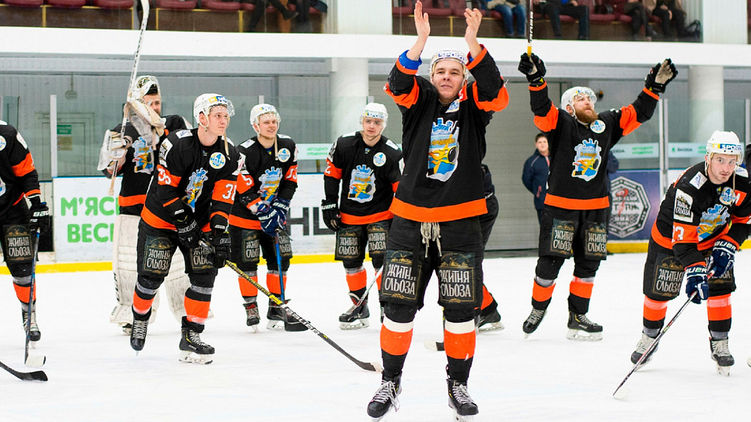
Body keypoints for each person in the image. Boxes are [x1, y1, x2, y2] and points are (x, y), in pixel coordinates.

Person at [366, 2, 509, 420]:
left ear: (464, 78)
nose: (447, 77)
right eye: (440, 71)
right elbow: (396, 82)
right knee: (397, 305)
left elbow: (496, 91)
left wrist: (472, 44)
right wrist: (421, 41)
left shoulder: (475, 106)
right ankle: (390, 381)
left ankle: (458, 385)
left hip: (461, 221)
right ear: (432, 77)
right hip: (410, 219)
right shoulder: (418, 102)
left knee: (462, 309)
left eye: (454, 72)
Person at [517, 51, 676, 341]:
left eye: (589, 98)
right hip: (561, 207)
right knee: (550, 263)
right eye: (580, 99)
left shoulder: (606, 123)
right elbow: (541, 108)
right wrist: (536, 80)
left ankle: (578, 315)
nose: (588, 101)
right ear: (569, 107)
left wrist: (653, 88)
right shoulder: (559, 123)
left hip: (596, 209)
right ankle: (538, 308)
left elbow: (638, 113)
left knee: (588, 264)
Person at [129, 93, 240, 364]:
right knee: (151, 277)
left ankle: (192, 336)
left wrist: (219, 232)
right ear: (202, 118)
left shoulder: (230, 153)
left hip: (199, 221)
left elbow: (223, 197)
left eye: (226, 116)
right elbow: (165, 189)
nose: (223, 120)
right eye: (217, 115)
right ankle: (140, 318)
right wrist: (183, 221)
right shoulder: (176, 144)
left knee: (205, 276)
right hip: (161, 219)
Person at [630, 131, 750, 376]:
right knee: (658, 293)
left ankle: (720, 342)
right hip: (669, 240)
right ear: (708, 158)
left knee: (720, 289)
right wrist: (695, 271)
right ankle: (649, 337)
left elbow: (744, 220)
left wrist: (728, 243)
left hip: (712, 239)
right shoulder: (689, 186)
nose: (726, 168)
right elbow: (683, 242)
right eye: (720, 160)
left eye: (731, 161)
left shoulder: (742, 182)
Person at [97, 75, 192, 335]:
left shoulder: (175, 123)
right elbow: (109, 171)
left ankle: (188, 312)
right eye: (149, 102)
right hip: (134, 208)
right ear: (137, 103)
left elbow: (193, 153)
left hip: (170, 207)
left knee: (179, 264)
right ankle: (133, 315)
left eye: (157, 102)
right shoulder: (122, 129)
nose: (155, 107)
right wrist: (116, 155)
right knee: (130, 265)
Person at [321, 103, 402, 330]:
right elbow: (332, 175)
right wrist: (329, 204)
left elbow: (400, 188)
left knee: (382, 262)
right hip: (349, 216)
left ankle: (387, 308)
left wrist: (400, 217)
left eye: (377, 122)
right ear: (362, 122)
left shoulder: (392, 152)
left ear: (383, 124)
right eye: (368, 121)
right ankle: (359, 306)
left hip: (381, 216)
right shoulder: (344, 144)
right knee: (351, 263)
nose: (372, 126)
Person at [229, 103, 306, 331]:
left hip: (275, 216)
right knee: (247, 262)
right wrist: (263, 210)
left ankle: (276, 305)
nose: (271, 126)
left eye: (274, 121)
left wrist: (280, 206)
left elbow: (290, 180)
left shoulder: (288, 145)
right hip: (244, 218)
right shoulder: (243, 151)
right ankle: (251, 305)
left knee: (280, 259)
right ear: (256, 126)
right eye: (266, 122)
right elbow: (243, 188)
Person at [0, 121, 50, 343]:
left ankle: (29, 314)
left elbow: (26, 171)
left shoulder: (6, 133)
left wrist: (36, 203)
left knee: (22, 268)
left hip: (12, 209)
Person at [522, 133, 550, 225]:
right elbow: (526, 180)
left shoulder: (556, 158)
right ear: (536, 144)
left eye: (544, 142)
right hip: (541, 201)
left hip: (557, 200)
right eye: (540, 142)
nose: (542, 144)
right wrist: (538, 191)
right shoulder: (531, 161)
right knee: (544, 227)